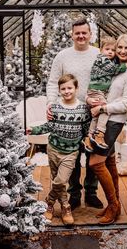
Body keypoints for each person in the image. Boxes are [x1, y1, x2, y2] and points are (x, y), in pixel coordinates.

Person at [46, 17, 103, 211]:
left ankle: (92, 193)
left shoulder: (98, 54)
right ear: (72, 34)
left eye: (84, 33)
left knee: (93, 154)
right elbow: (53, 82)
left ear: (90, 34)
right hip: (69, 114)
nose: (80, 36)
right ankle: (75, 193)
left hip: (94, 113)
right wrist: (51, 104)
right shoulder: (62, 56)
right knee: (72, 154)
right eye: (77, 33)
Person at [29, 74, 91, 225]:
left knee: (61, 180)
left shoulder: (83, 108)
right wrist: (34, 130)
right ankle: (65, 206)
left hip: (71, 152)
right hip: (53, 149)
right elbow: (49, 126)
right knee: (58, 181)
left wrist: (88, 139)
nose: (66, 91)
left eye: (70, 88)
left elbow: (86, 129)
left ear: (76, 89)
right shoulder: (55, 107)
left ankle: (49, 201)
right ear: (59, 90)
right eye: (63, 88)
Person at [89, 34, 127, 225]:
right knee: (109, 163)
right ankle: (112, 206)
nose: (123, 51)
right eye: (120, 47)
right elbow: (99, 88)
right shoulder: (112, 67)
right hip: (102, 118)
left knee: (95, 163)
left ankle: (114, 205)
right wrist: (90, 100)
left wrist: (103, 108)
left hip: (113, 121)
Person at [83, 36, 127, 152]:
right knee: (103, 108)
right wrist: (126, 66)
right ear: (101, 50)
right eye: (107, 49)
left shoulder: (109, 60)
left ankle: (89, 137)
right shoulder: (102, 60)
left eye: (113, 50)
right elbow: (113, 69)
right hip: (97, 90)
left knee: (97, 114)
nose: (110, 52)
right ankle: (99, 133)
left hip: (97, 91)